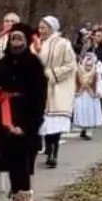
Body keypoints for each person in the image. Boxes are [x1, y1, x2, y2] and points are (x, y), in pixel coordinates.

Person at [0, 23, 48, 201]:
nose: (16, 42)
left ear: (26, 40)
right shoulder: (2, 64)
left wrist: (29, 124)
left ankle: (27, 199)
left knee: (24, 160)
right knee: (11, 160)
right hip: (5, 118)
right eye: (13, 38)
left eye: (20, 38)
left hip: (26, 117)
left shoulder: (34, 64)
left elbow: (39, 96)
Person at [36, 16, 76, 168]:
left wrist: (51, 74)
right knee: (43, 122)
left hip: (57, 88)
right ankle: (46, 148)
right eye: (39, 28)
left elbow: (71, 64)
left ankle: (53, 152)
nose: (41, 31)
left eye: (44, 28)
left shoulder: (63, 44)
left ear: (52, 28)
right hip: (40, 88)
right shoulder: (36, 44)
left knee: (55, 122)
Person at [72, 52, 102, 139]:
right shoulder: (78, 73)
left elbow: (99, 85)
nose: (88, 67)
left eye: (90, 66)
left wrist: (98, 93)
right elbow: (74, 84)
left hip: (91, 98)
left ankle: (89, 132)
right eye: (86, 65)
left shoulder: (96, 74)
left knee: (90, 113)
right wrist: (76, 92)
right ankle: (83, 129)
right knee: (82, 112)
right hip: (81, 96)